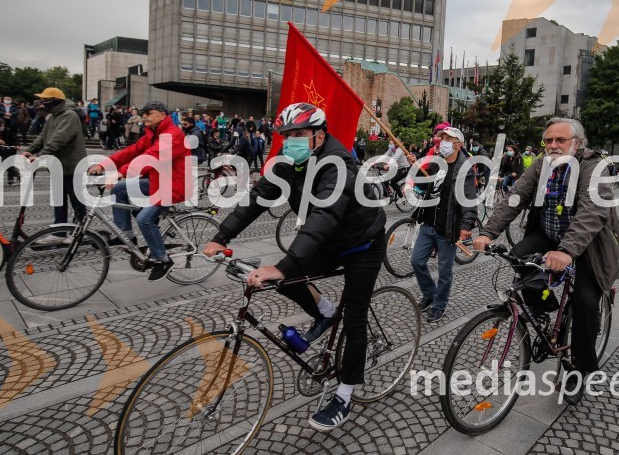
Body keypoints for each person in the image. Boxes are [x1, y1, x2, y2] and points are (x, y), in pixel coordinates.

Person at [202, 102, 387, 431]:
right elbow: (257, 199)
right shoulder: (287, 162)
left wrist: (285, 266)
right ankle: (326, 312)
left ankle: (344, 394)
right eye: (286, 136)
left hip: (362, 243)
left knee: (355, 318)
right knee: (283, 279)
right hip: (328, 242)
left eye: (299, 135)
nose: (291, 141)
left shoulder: (339, 163)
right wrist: (222, 237)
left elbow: (325, 215)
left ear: (320, 135)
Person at [473, 117, 619, 405]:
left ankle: (579, 369)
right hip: (549, 233)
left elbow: (591, 213)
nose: (552, 145)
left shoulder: (594, 168)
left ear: (576, 144)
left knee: (585, 302)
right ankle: (542, 305)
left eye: (559, 140)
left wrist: (567, 252)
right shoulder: (542, 164)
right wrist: (488, 231)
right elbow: (516, 198)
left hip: (589, 244)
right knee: (517, 258)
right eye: (548, 140)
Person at [88, 101, 190, 282]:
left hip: (170, 186)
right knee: (119, 189)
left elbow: (152, 157)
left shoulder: (173, 135)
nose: (144, 116)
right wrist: (104, 165)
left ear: (162, 115)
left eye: (148, 113)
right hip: (154, 181)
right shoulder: (153, 134)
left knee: (145, 219)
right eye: (143, 113)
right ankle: (125, 233)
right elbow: (132, 151)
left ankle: (163, 260)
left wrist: (120, 172)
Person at [406, 127, 477, 323]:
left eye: (448, 138)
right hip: (429, 224)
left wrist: (466, 224)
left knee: (445, 271)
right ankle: (430, 294)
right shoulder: (437, 163)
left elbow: (469, 199)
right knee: (417, 262)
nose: (443, 141)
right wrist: (414, 166)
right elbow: (423, 183)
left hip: (448, 227)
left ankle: (439, 304)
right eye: (442, 137)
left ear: (458, 144)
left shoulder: (465, 169)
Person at [21, 88, 88, 233]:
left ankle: (81, 230)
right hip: (58, 165)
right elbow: (43, 136)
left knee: (76, 200)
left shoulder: (69, 115)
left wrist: (41, 155)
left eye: (45, 100)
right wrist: (30, 150)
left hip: (72, 165)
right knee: (58, 200)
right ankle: (59, 230)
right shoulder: (53, 116)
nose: (42, 103)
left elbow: (60, 138)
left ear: (55, 101)